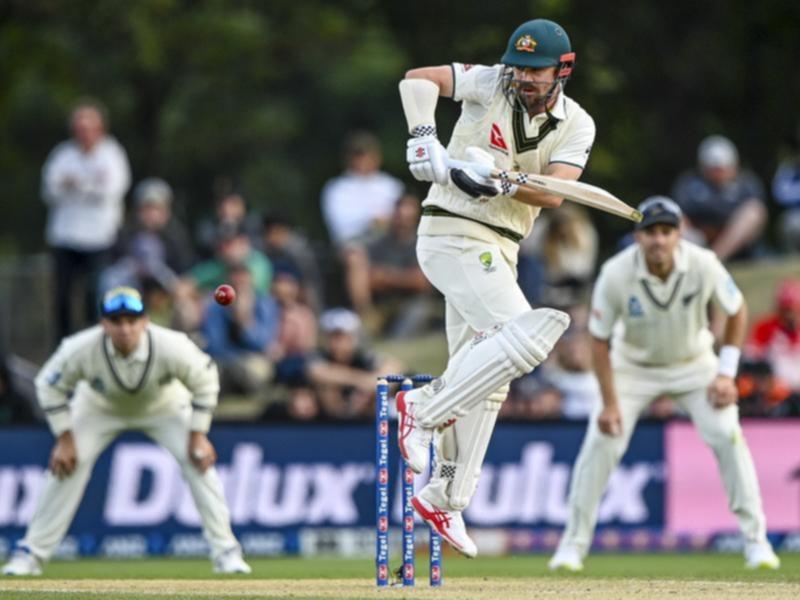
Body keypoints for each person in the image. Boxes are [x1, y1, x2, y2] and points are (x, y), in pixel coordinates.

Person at [394, 19, 595, 557]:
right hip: (451, 233)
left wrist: (503, 180)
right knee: (527, 333)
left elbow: (554, 194)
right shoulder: (490, 82)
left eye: (536, 71)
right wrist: (423, 136)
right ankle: (422, 408)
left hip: (502, 247)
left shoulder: (576, 124)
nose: (524, 79)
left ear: (563, 70)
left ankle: (446, 495)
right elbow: (415, 80)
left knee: (490, 373)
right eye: (520, 68)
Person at [549, 197, 779, 572]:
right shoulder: (616, 273)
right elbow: (599, 339)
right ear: (638, 237)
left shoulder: (704, 263)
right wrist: (609, 403)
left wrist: (726, 373)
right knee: (601, 442)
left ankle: (757, 543)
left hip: (694, 366)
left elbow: (736, 310)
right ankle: (572, 547)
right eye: (651, 232)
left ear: (679, 234)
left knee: (727, 436)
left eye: (666, 232)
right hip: (632, 367)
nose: (659, 240)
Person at [1, 287, 251, 575]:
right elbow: (47, 384)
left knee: (199, 462)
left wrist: (198, 434)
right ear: (103, 324)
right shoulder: (80, 348)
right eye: (116, 321)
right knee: (65, 466)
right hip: (98, 409)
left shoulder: (172, 345)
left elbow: (206, 378)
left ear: (145, 322)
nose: (125, 329)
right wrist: (65, 438)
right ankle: (30, 555)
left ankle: (226, 552)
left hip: (164, 407)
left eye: (131, 321)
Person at [42, 99, 131, 340]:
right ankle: (62, 345)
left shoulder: (112, 154)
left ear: (100, 129)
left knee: (95, 294)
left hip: (100, 237)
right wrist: (91, 184)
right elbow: (50, 190)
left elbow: (113, 189)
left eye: (89, 129)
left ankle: (95, 343)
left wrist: (76, 183)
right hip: (65, 236)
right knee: (61, 297)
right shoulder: (62, 155)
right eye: (80, 129)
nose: (84, 135)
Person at [671, 135, 767, 261]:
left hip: (737, 243)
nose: (719, 173)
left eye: (723, 169)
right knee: (677, 218)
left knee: (754, 211)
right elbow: (680, 212)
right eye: (714, 169)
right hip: (699, 239)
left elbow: (756, 214)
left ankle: (715, 259)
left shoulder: (746, 184)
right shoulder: (689, 183)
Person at [101, 177, 194, 293]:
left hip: (165, 287)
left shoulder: (175, 235)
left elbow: (184, 269)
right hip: (131, 285)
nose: (151, 214)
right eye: (146, 208)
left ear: (166, 211)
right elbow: (113, 262)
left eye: (156, 209)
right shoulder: (126, 232)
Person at [202, 264, 279, 395]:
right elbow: (214, 344)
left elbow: (263, 344)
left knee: (257, 371)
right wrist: (230, 312)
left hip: (251, 359)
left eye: (243, 279)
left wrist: (245, 322)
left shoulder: (265, 304)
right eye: (235, 279)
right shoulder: (216, 306)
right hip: (224, 360)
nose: (239, 283)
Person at [320, 131, 404, 248]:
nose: (363, 162)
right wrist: (371, 222)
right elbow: (340, 228)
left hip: (392, 242)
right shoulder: (337, 189)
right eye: (359, 157)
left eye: (367, 157)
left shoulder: (391, 185)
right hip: (355, 246)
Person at [744, 279, 800, 395]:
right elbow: (750, 358)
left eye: (793, 309)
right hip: (775, 390)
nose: (789, 315)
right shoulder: (765, 327)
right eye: (785, 309)